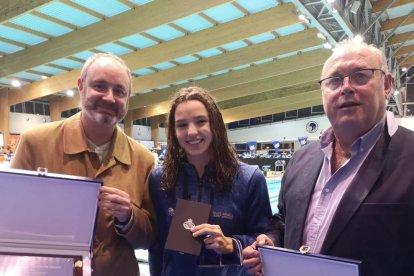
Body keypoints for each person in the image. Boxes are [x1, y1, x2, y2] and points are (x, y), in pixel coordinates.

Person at [242, 38, 414, 276]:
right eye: (334, 80)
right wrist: (270, 241)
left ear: (386, 85)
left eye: (360, 76)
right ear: (322, 91)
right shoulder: (301, 160)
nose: (345, 87)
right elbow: (283, 219)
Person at [11, 53, 156, 276]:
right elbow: (11, 219)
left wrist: (129, 217)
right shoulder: (35, 143)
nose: (109, 98)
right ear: (81, 86)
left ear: (127, 99)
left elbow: (148, 237)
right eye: (100, 86)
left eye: (119, 91)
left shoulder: (143, 159)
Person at [148, 87, 272, 275]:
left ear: (215, 124)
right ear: (173, 132)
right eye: (181, 125)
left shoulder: (250, 179)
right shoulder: (161, 180)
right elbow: (157, 247)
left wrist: (231, 244)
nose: (191, 132)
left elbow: (264, 242)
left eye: (200, 121)